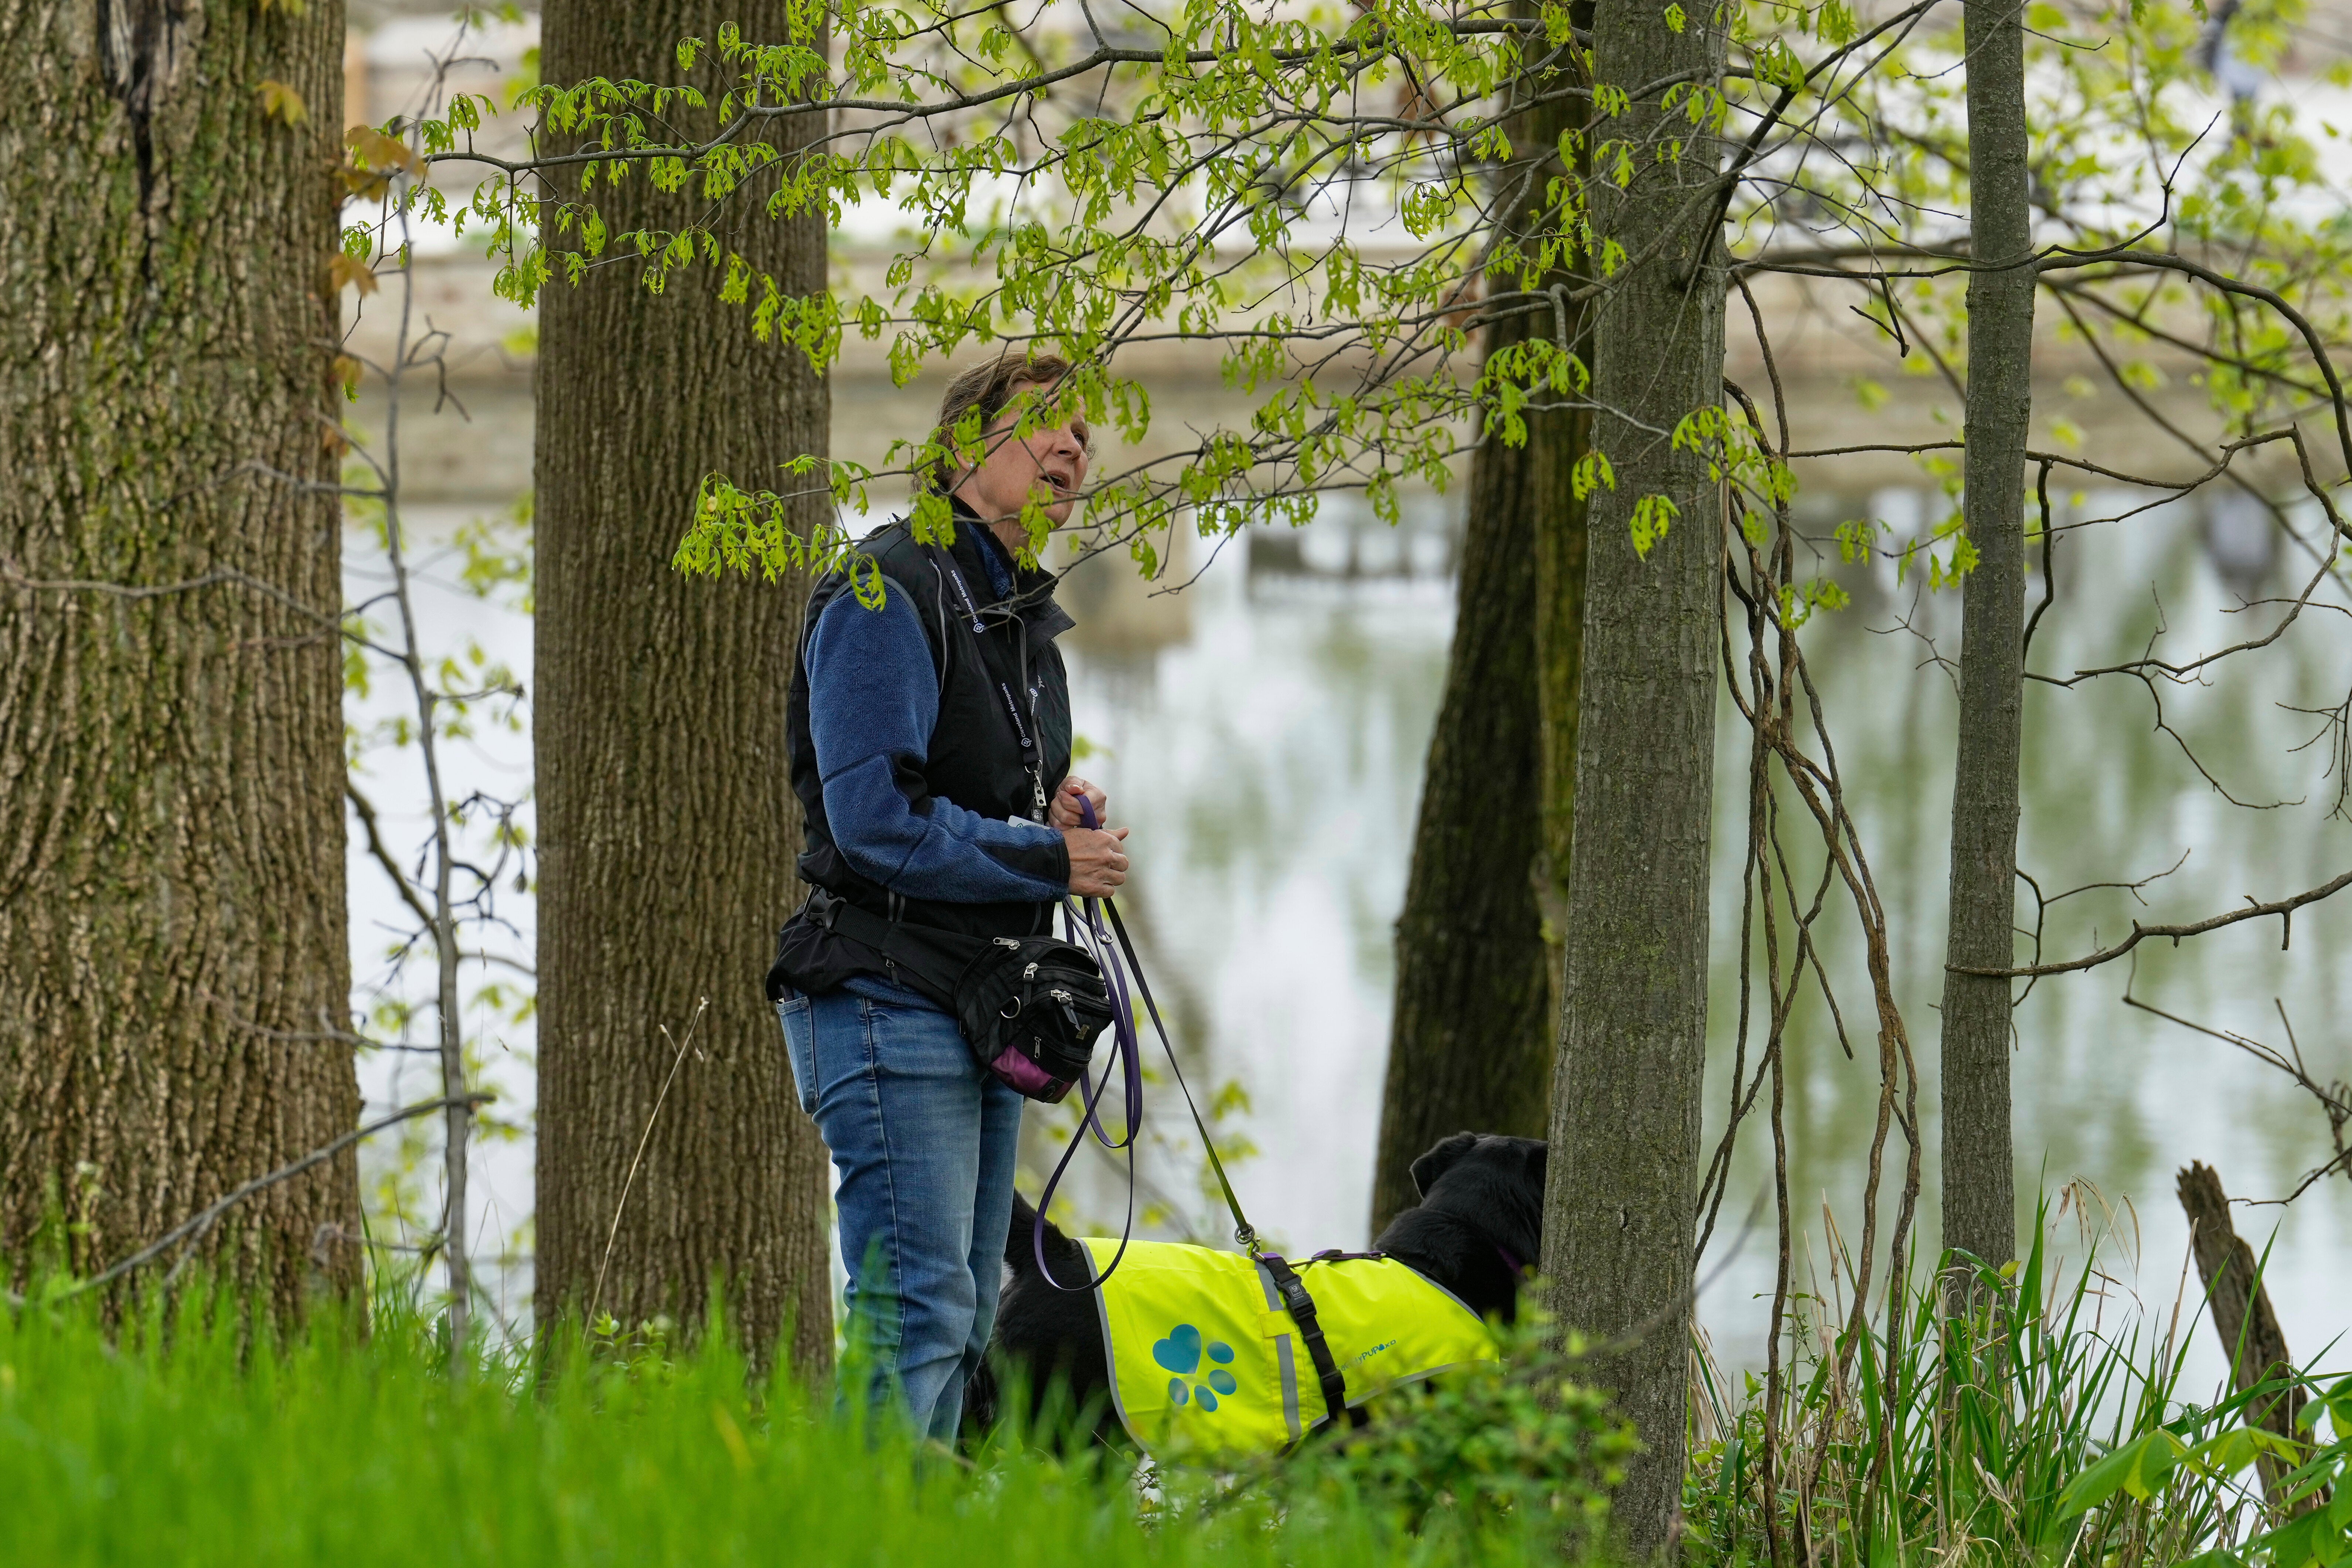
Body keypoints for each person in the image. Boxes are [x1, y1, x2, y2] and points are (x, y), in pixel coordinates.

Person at [769, 353, 1130, 1440]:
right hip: (881, 993)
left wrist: (1048, 815)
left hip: (976, 1001)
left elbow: (966, 787)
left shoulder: (1016, 614)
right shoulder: (888, 588)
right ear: (966, 448)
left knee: (968, 1316)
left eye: (1084, 434)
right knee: (916, 1312)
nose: (1071, 446)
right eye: (1042, 426)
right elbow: (875, 819)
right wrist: (1044, 864)